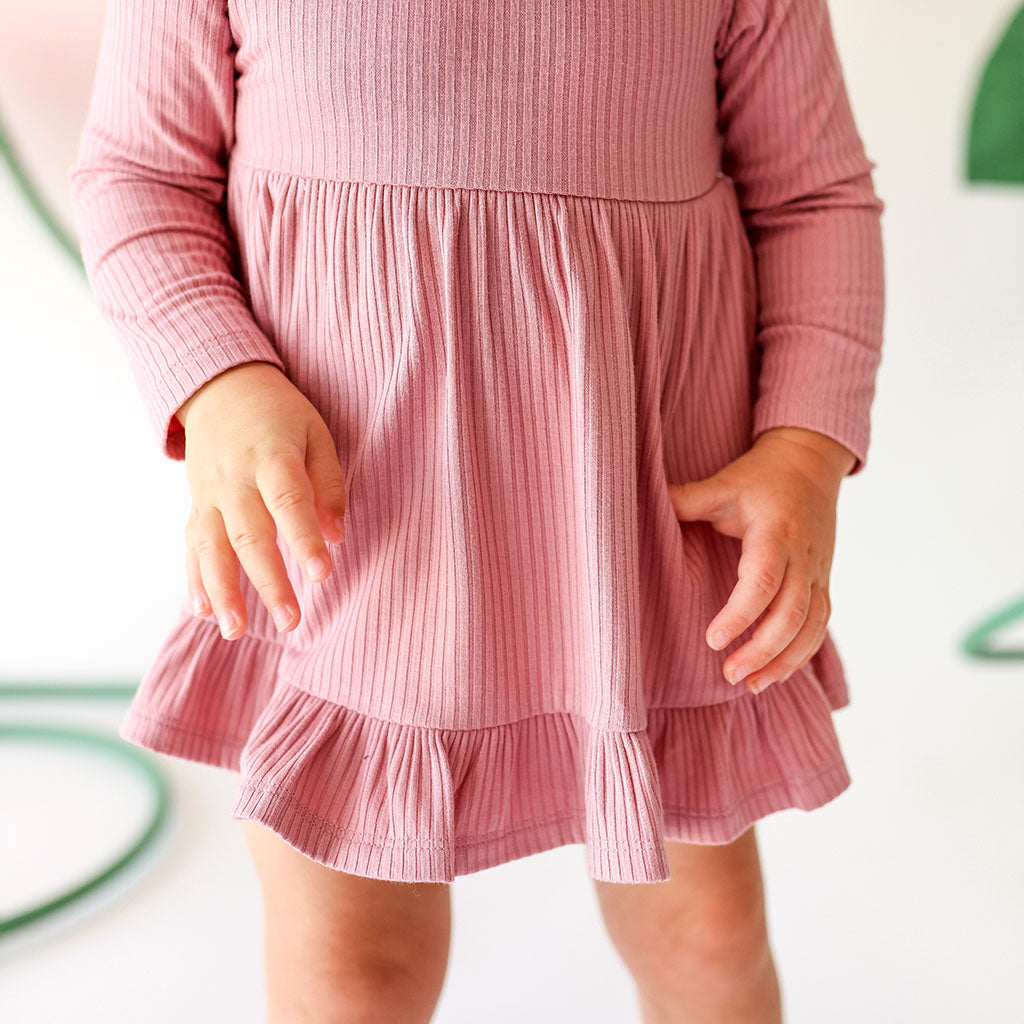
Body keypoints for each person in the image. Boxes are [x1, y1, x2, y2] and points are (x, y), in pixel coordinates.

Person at [67, 0, 885, 1019]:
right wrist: (220, 381)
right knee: (355, 968)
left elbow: (813, 198)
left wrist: (803, 447)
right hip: (358, 549)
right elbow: (140, 177)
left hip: (642, 544)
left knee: (707, 933)